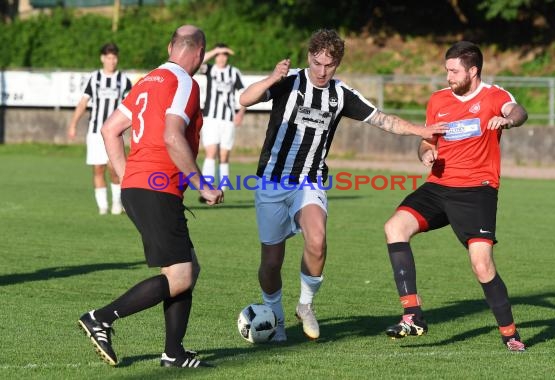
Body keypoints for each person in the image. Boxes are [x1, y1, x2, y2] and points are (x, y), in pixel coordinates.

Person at [239, 29, 447, 342]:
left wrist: (422, 129)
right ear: (309, 57)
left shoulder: (341, 94)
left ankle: (305, 305)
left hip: (309, 180)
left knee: (318, 238)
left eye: (330, 65)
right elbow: (244, 98)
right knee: (271, 261)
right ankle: (276, 316)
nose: (322, 71)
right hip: (271, 180)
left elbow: (382, 120)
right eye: (317, 63)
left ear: (338, 63)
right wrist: (271, 78)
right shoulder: (289, 81)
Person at [77, 25, 223, 368]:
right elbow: (173, 137)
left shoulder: (148, 80)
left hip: (141, 187)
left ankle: (174, 352)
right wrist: (201, 184)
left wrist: (128, 178)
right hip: (158, 188)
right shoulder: (185, 82)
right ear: (199, 53)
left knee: (187, 267)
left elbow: (109, 129)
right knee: (181, 275)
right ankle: (102, 317)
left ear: (172, 46)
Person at [383, 41, 528, 352]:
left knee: (481, 265)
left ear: (472, 71)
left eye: (453, 71)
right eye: (446, 69)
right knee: (395, 227)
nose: (447, 76)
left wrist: (508, 120)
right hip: (438, 186)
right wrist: (426, 153)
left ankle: (510, 333)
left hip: (477, 190)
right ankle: (412, 315)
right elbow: (426, 141)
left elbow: (518, 110)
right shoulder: (437, 100)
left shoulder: (494, 96)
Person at [67, 42, 132, 215]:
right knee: (98, 168)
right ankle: (103, 206)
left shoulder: (123, 80)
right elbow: (83, 103)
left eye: (114, 57)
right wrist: (73, 124)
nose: (112, 61)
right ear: (102, 58)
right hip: (95, 132)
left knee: (114, 168)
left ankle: (118, 203)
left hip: (115, 132)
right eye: (109, 57)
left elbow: (131, 107)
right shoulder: (94, 78)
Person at [198, 43, 246, 196]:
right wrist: (216, 50)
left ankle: (222, 189)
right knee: (211, 152)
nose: (221, 57)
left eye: (224, 54)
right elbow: (198, 62)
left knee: (224, 156)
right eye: (219, 54)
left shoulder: (233, 72)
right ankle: (207, 189)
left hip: (227, 119)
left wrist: (240, 113)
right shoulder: (210, 69)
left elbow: (244, 94)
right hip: (211, 118)